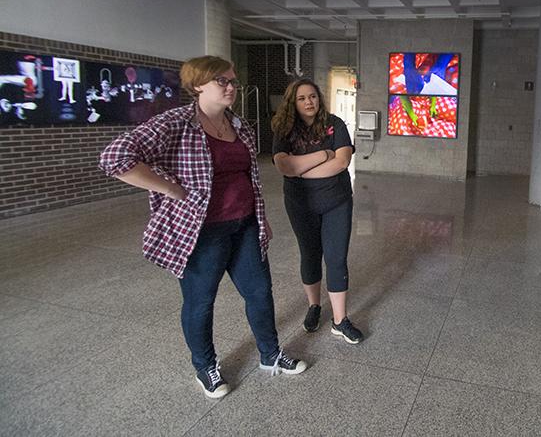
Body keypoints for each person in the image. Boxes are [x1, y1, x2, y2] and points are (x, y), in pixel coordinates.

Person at [98, 55, 307, 399]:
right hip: (201, 232)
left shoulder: (240, 126)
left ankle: (271, 355)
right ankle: (205, 367)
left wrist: (261, 218)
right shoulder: (174, 123)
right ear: (198, 85)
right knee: (200, 303)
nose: (231, 88)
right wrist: (168, 188)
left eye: (233, 82)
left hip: (244, 226)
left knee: (259, 293)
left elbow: (249, 179)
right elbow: (114, 158)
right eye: (221, 82)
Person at [271, 78, 364, 344]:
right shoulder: (284, 129)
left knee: (336, 258)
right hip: (301, 205)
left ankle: (340, 320)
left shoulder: (334, 124)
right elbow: (284, 167)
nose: (309, 102)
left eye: (312, 96)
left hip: (337, 201)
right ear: (293, 102)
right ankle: (314, 307)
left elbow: (342, 162)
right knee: (310, 255)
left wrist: (301, 169)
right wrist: (324, 155)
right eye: (302, 98)